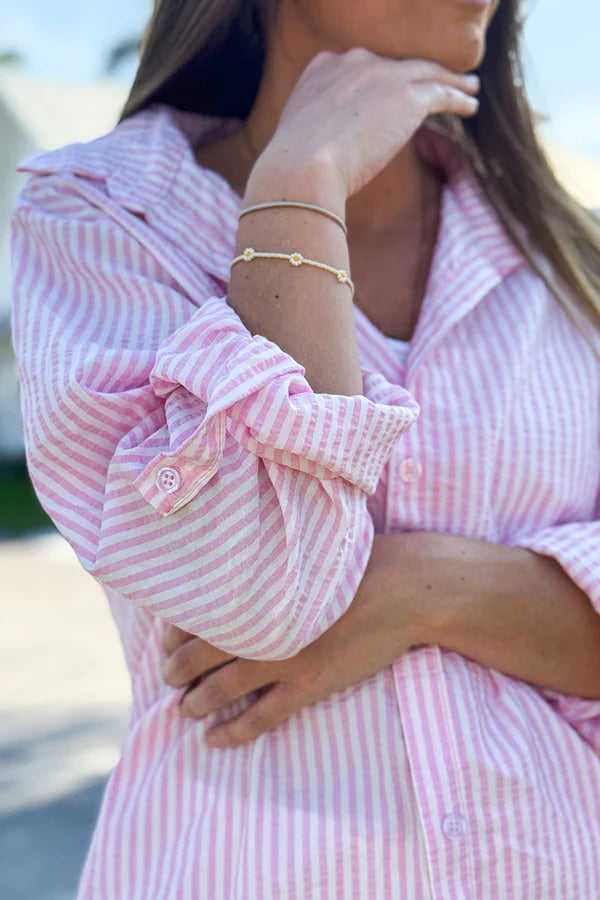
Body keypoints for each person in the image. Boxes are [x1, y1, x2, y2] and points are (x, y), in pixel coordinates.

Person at [9, 0, 600, 896]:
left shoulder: (565, 256)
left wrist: (421, 588)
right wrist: (299, 189)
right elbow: (264, 594)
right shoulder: (99, 217)